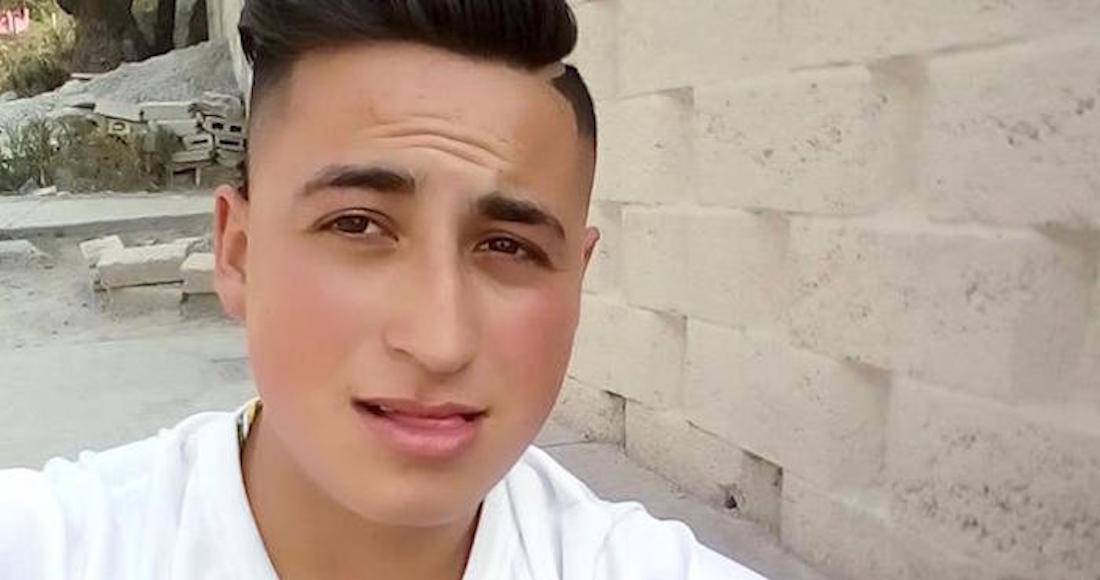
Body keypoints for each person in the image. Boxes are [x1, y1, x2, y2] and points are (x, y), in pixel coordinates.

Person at [0, 1, 765, 578]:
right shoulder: (51, 546)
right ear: (238, 254)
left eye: (508, 246)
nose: (439, 341)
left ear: (577, 281)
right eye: (358, 225)